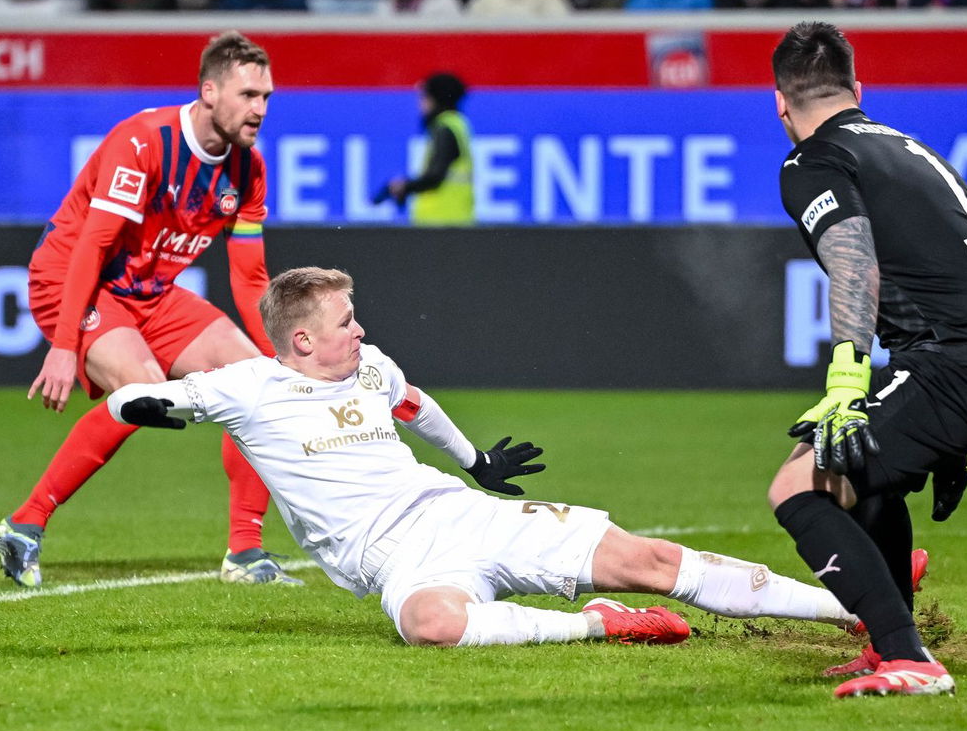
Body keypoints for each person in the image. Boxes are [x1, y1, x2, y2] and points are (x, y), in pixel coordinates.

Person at [107, 267, 861, 651]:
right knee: (431, 625)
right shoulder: (247, 388)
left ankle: (855, 609)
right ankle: (600, 625)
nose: (361, 330)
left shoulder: (373, 367)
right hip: (397, 561)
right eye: (346, 321)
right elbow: (141, 398)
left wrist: (475, 461)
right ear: (301, 339)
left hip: (456, 512)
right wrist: (136, 404)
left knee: (649, 558)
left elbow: (416, 404)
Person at [766, 22, 967, 698]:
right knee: (851, 467)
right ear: (858, 89)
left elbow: (853, 261)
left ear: (780, 104)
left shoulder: (812, 163)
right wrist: (941, 438)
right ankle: (886, 640)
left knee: (799, 486)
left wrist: (846, 381)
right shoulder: (908, 148)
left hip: (963, 360)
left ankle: (909, 658)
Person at [0, 32, 289, 590]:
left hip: (151, 293)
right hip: (74, 280)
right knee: (143, 391)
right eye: (249, 95)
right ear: (209, 91)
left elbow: (249, 278)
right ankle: (24, 524)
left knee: (256, 383)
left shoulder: (248, 169)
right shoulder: (144, 141)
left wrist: (283, 365)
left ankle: (245, 553)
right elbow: (94, 245)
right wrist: (63, 345)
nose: (261, 109)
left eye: (266, 96)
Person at [378, 72, 474, 224]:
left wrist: (403, 187)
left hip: (441, 222)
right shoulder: (457, 124)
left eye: (424, 97)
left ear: (436, 99)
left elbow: (435, 176)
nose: (420, 103)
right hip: (454, 218)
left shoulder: (444, 128)